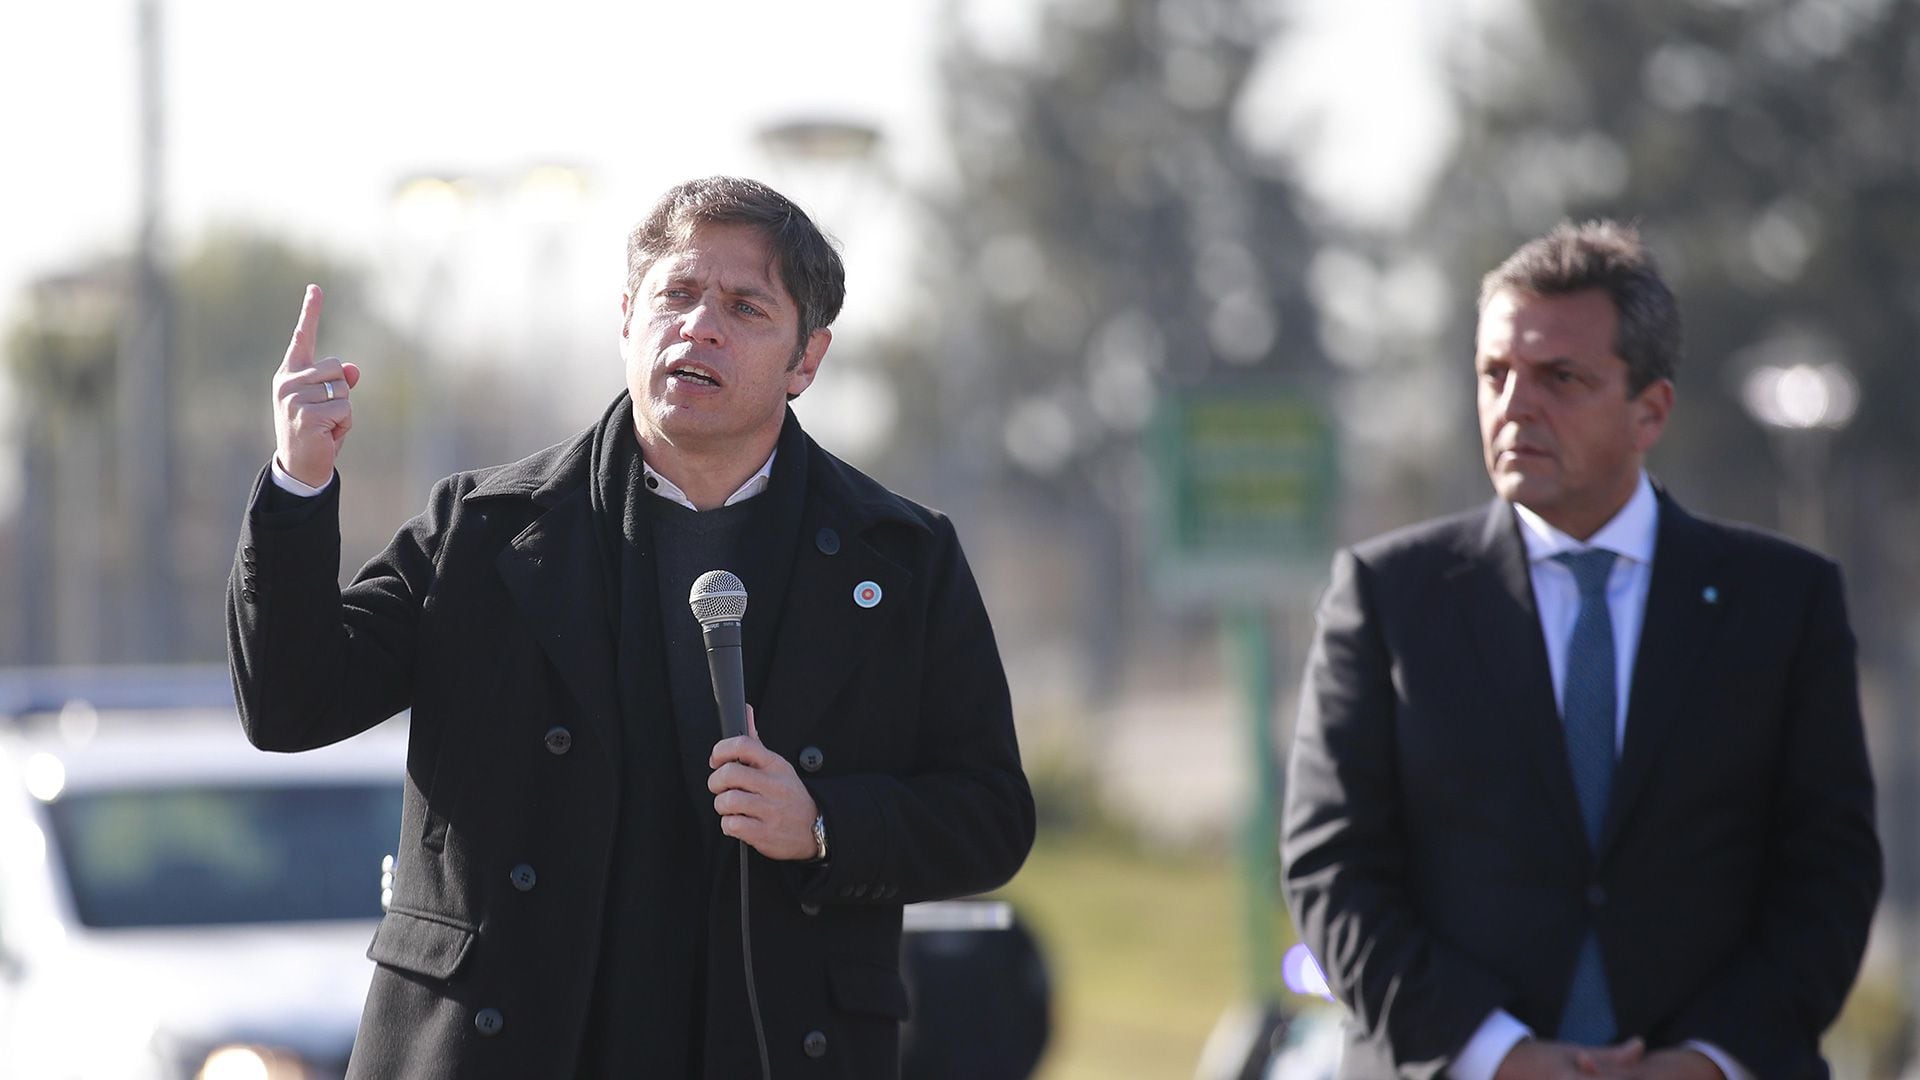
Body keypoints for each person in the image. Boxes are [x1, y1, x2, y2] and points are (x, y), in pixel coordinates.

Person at [226, 176, 1036, 1079]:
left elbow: (990, 818)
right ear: (627, 319)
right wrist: (299, 484)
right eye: (676, 295)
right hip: (504, 1045)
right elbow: (291, 705)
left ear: (807, 361)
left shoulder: (900, 559)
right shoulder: (484, 528)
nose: (700, 327)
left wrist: (822, 824)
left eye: (744, 307)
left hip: (765, 1041)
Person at [1280, 220, 1880, 1079]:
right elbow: (1332, 868)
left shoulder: (1783, 604)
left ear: (1651, 410)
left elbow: (1830, 873)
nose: (1517, 405)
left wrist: (1711, 1059)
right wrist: (1498, 1055)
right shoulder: (1389, 598)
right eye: (1496, 375)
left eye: (1561, 378)